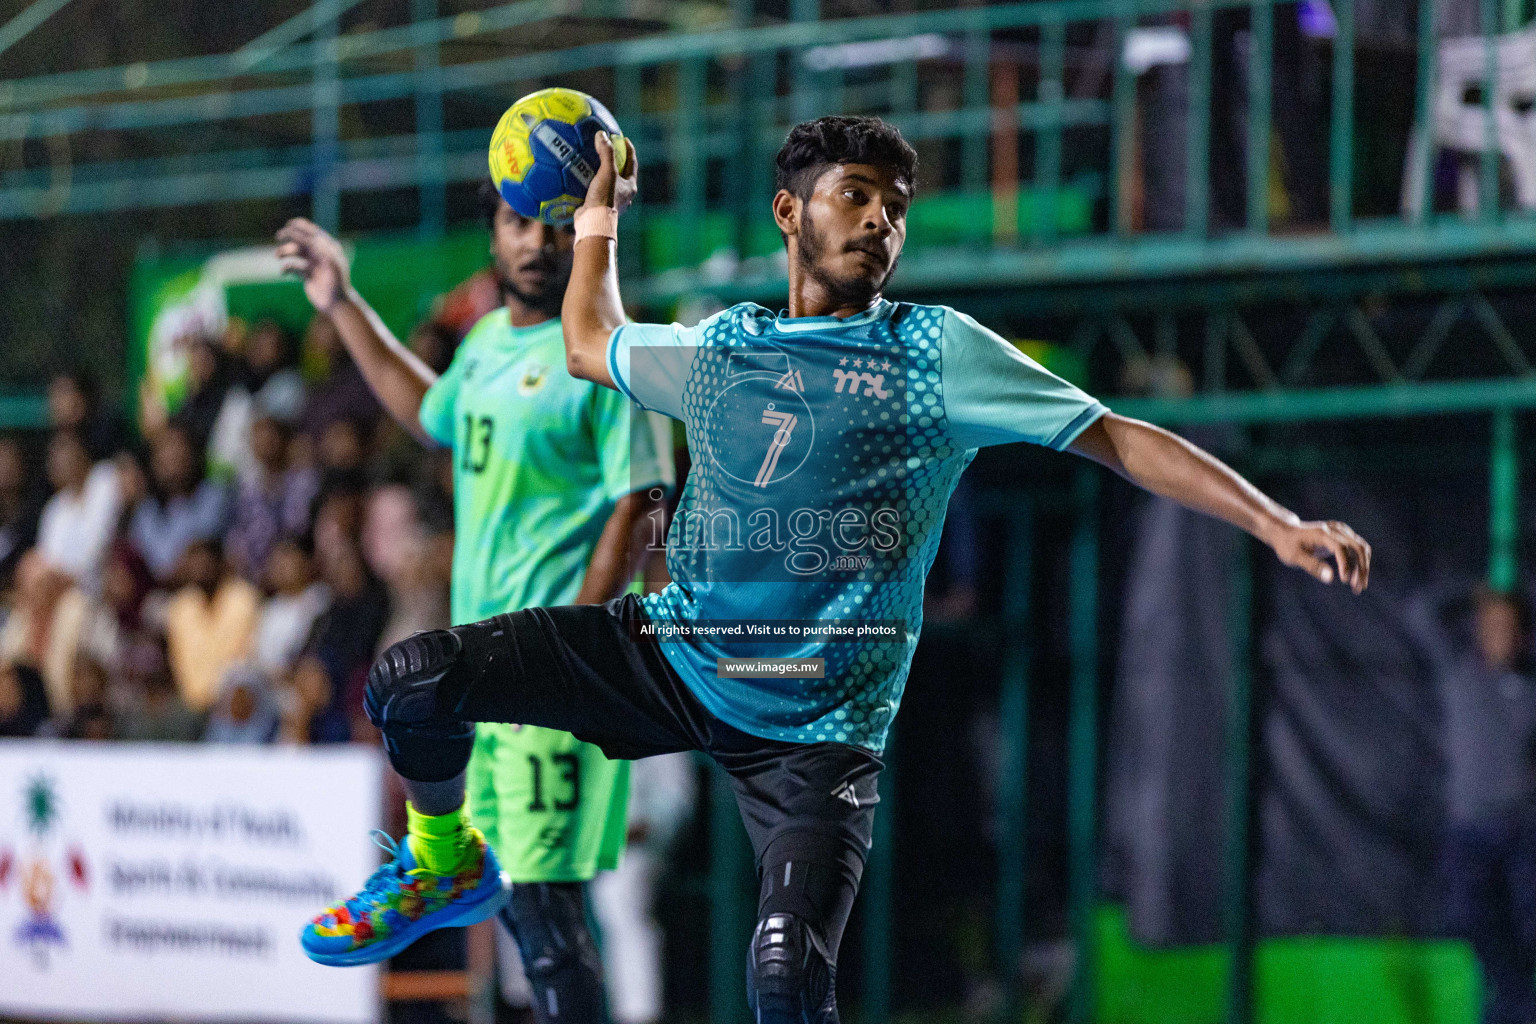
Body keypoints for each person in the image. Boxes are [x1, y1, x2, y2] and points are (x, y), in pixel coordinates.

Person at [305, 115, 1372, 1022]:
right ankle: (443, 857)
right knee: (411, 680)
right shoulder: (724, 347)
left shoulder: (935, 354)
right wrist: (598, 217)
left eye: (896, 207)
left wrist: (1273, 520)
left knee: (785, 977)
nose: (881, 221)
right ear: (789, 215)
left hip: (815, 737)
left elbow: (1116, 434)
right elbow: (592, 341)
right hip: (672, 657)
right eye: (857, 196)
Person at [277, 178, 672, 1024]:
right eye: (518, 221)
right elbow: (428, 409)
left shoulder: (612, 351)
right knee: (520, 928)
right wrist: (343, 301)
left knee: (547, 918)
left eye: (558, 224)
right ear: (492, 233)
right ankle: (440, 864)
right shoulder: (488, 342)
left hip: (553, 679)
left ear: (586, 238)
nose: (536, 240)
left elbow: (640, 501)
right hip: (485, 677)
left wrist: (568, 659)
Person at [1424, 587, 1536, 1024]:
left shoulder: (1528, 687)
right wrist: (1472, 592)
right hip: (1469, 833)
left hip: (1521, 832)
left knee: (1524, 936)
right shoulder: (1458, 673)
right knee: (1479, 929)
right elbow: (1422, 612)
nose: (1501, 636)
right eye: (1492, 627)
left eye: (1510, 628)